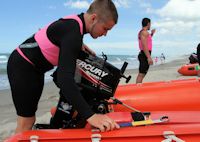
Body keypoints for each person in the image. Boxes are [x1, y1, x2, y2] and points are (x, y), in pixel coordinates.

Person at [7, 0, 119, 133]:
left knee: (30, 119)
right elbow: (64, 80)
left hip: (34, 69)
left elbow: (61, 36)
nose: (105, 34)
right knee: (26, 121)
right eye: (105, 28)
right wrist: (91, 116)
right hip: (23, 67)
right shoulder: (73, 33)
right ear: (94, 18)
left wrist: (79, 47)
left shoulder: (75, 24)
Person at [136, 18, 156, 83]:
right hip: (144, 54)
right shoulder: (144, 32)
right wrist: (149, 57)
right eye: (150, 24)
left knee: (143, 73)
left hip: (145, 54)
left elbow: (147, 40)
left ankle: (138, 87)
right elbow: (144, 45)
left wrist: (152, 34)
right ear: (148, 24)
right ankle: (137, 89)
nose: (150, 25)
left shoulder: (145, 33)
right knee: (141, 74)